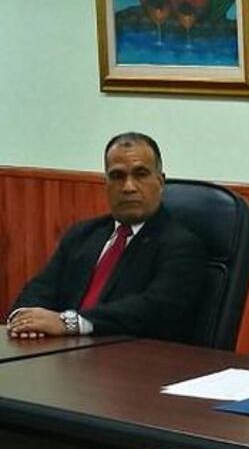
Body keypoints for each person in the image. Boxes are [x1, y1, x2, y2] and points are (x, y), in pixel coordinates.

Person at [6, 132, 206, 342]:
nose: (128, 187)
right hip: (62, 350)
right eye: (117, 176)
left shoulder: (181, 245)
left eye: (140, 174)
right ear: (106, 184)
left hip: (127, 355)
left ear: (161, 182)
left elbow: (155, 308)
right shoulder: (82, 234)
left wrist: (71, 323)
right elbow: (41, 287)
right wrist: (24, 318)